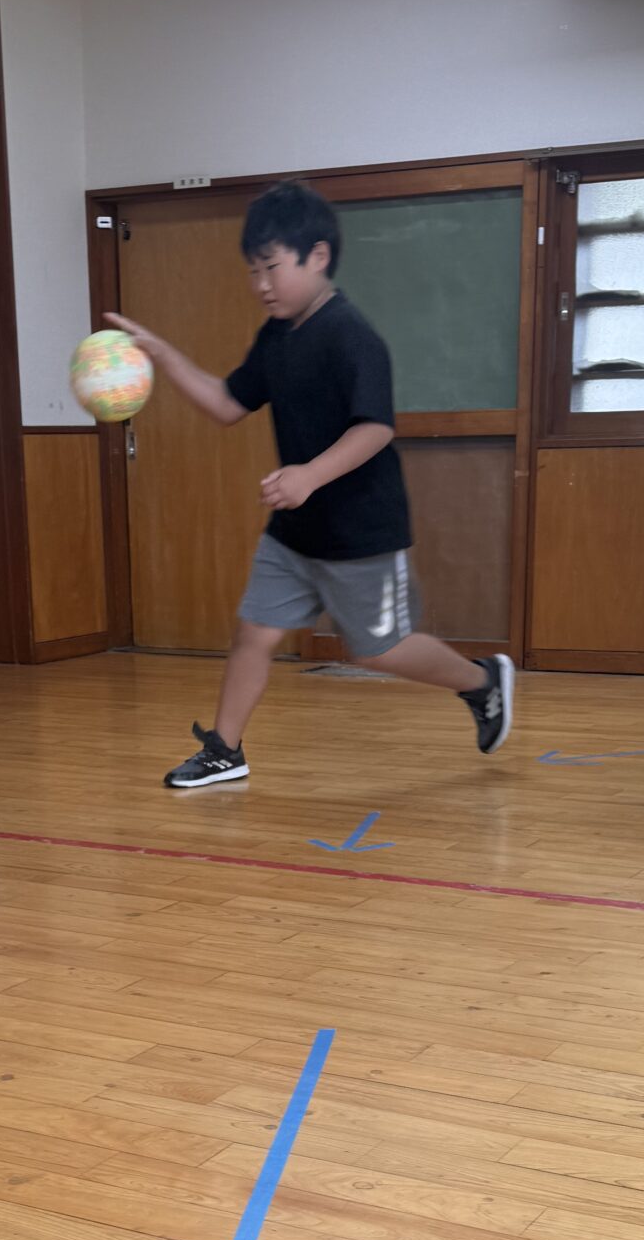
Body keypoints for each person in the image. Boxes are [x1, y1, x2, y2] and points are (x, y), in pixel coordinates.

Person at [107, 179, 514, 789]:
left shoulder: (352, 335)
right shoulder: (276, 336)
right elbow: (225, 404)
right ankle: (224, 750)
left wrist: (309, 474)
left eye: (271, 267)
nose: (261, 284)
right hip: (295, 531)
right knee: (254, 632)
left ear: (317, 256)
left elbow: (375, 428)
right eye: (253, 271)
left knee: (378, 650)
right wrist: (163, 357)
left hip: (361, 532)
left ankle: (482, 683)